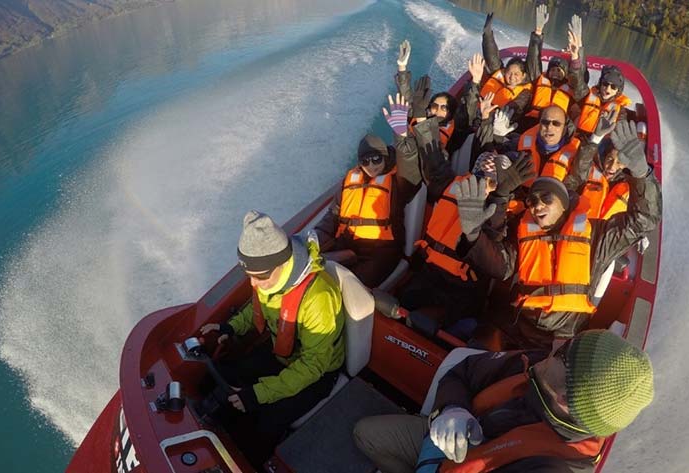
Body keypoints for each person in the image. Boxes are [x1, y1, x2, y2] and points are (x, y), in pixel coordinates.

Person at [454, 120, 661, 349]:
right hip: (517, 325)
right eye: (532, 201)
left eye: (546, 199)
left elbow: (644, 219)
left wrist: (642, 174)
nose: (537, 206)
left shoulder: (599, 237)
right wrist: (473, 235)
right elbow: (500, 266)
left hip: (562, 338)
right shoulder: (526, 234)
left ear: (564, 205)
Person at [353, 329, 654, 473]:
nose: (558, 342)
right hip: (450, 433)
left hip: (466, 462)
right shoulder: (537, 364)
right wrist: (452, 409)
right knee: (366, 435)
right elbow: (465, 371)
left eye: (564, 353)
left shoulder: (552, 467)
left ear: (565, 397)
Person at [199, 210, 345, 467]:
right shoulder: (269, 279)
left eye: (260, 276)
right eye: (249, 276)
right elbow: (255, 308)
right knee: (226, 374)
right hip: (281, 352)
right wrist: (229, 329)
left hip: (317, 372)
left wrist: (258, 394)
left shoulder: (319, 298)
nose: (254, 284)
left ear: (282, 262)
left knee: (266, 422)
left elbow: (313, 366)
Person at [393, 141, 534, 336]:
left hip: (463, 288)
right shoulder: (455, 187)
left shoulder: (509, 213)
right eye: (479, 177)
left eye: (492, 182)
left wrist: (497, 202)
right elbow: (434, 167)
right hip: (430, 271)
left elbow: (500, 265)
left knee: (447, 323)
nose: (483, 185)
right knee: (405, 300)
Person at [314, 132, 417, 287]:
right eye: (365, 161)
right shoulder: (350, 180)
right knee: (318, 274)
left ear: (385, 156)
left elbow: (411, 174)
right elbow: (333, 215)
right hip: (347, 243)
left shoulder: (398, 181)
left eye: (376, 159)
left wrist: (402, 137)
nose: (371, 165)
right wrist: (315, 238)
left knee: (353, 284)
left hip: (382, 250)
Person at [394, 39, 476, 158]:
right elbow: (406, 99)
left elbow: (469, 111)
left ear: (451, 112)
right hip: (404, 156)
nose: (437, 110)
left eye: (444, 108)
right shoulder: (420, 115)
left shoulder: (455, 131)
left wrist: (476, 81)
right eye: (434, 106)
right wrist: (402, 68)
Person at [567, 14, 632, 136]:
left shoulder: (620, 112)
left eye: (613, 87)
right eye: (605, 84)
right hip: (578, 137)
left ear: (618, 90)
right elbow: (577, 82)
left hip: (598, 145)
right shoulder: (587, 96)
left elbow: (620, 133)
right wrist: (576, 55)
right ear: (600, 83)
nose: (608, 89)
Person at [522, 4, 578, 130]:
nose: (555, 73)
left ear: (566, 73)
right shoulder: (540, 79)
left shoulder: (571, 87)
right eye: (552, 69)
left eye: (559, 70)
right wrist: (538, 33)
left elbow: (579, 74)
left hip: (555, 127)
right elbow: (533, 60)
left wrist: (576, 53)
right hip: (532, 122)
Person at [479, 12, 533, 122]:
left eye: (516, 74)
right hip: (479, 113)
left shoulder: (524, 93)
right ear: (505, 72)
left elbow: (515, 109)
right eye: (509, 73)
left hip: (500, 123)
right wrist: (487, 34)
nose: (512, 77)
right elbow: (491, 56)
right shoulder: (499, 75)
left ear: (523, 76)